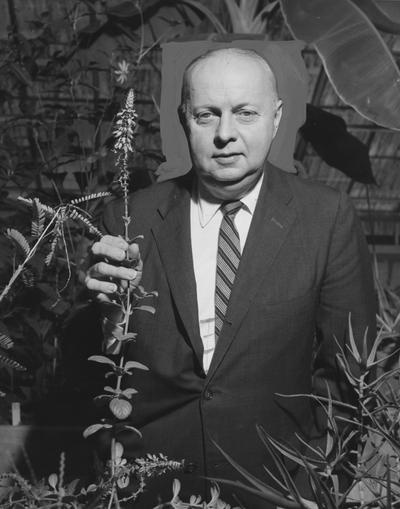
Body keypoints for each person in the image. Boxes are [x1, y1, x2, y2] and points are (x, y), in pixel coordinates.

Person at [85, 47, 376, 508]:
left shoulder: (326, 218)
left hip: (281, 486)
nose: (226, 133)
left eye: (245, 113)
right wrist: (104, 315)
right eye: (207, 115)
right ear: (185, 120)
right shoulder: (128, 217)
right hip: (150, 484)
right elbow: (99, 370)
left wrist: (323, 480)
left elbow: (349, 374)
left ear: (276, 118)